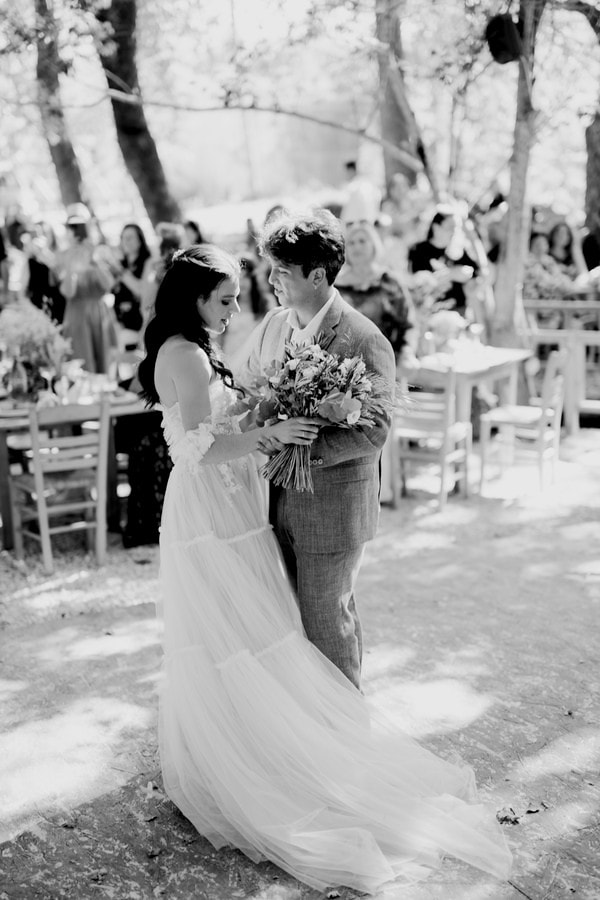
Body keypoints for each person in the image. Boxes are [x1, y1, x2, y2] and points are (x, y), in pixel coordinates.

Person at [137, 242, 512, 894]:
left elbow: (366, 427)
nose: (237, 308)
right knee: (229, 630)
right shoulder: (190, 352)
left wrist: (281, 416)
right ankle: (243, 755)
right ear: (192, 296)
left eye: (244, 293)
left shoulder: (353, 336)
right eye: (225, 298)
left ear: (315, 273)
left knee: (266, 627)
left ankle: (289, 743)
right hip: (210, 503)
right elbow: (198, 447)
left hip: (254, 502)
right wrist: (275, 434)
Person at [234, 210, 395, 690]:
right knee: (292, 620)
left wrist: (304, 449)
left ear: (318, 274)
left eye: (282, 271)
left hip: (334, 508)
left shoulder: (363, 337)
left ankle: (347, 734)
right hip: (277, 501)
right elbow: (247, 388)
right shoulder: (274, 326)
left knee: (327, 621)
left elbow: (375, 429)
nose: (272, 279)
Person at [54, 206, 116, 373]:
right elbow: (68, 292)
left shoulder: (98, 251)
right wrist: (71, 267)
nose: (75, 231)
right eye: (71, 226)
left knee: (105, 365)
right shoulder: (63, 255)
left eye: (79, 226)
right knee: (82, 364)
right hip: (77, 315)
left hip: (99, 313)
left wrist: (94, 260)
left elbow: (109, 284)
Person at [408, 208, 478, 317]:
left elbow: (474, 274)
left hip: (458, 314)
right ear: (436, 228)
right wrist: (451, 274)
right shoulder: (418, 250)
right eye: (450, 227)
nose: (454, 232)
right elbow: (419, 284)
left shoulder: (460, 251)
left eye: (456, 228)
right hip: (429, 314)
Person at [112, 223, 153, 338]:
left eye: (130, 238)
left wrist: (121, 272)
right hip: (121, 326)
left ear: (140, 240)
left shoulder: (148, 263)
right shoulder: (120, 263)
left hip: (141, 326)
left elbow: (142, 291)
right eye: (123, 238)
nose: (125, 241)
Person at [340, 159, 382, 227]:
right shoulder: (371, 185)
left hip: (353, 224)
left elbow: (341, 200)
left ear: (351, 171)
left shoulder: (352, 186)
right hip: (370, 224)